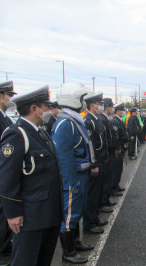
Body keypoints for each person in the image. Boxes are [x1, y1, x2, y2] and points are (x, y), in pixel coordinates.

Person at [0, 85, 63, 266]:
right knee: (25, 261)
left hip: (49, 213)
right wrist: (12, 214)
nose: (51, 110)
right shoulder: (16, 134)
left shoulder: (41, 132)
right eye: (47, 106)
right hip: (30, 217)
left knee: (43, 260)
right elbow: (7, 178)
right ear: (34, 109)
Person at [52, 83, 95, 264]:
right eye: (82, 99)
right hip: (74, 176)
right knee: (69, 215)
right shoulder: (65, 123)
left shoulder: (73, 120)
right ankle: (68, 253)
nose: (84, 102)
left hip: (81, 174)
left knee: (77, 212)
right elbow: (65, 157)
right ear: (74, 100)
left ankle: (75, 242)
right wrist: (70, 182)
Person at [83, 92, 110, 235]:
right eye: (99, 104)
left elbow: (102, 141)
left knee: (98, 193)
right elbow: (90, 145)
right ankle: (89, 223)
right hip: (95, 163)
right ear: (92, 105)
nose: (101, 106)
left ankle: (95, 217)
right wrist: (93, 164)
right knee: (92, 194)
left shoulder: (96, 119)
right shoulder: (88, 121)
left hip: (101, 161)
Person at [0, 81, 16, 266]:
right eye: (8, 95)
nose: (10, 99)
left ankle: (5, 245)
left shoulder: (5, 117)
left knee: (4, 211)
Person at [98, 98, 118, 211]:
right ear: (107, 107)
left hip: (109, 152)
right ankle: (103, 202)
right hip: (107, 153)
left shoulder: (105, 119)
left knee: (108, 178)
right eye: (111, 106)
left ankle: (106, 200)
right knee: (105, 181)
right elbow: (105, 139)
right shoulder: (102, 119)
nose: (112, 109)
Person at [111, 103, 128, 195]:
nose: (124, 112)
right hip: (118, 147)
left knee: (119, 169)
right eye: (122, 110)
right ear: (118, 111)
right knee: (116, 169)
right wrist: (118, 147)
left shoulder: (119, 120)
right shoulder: (115, 121)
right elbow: (116, 136)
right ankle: (113, 188)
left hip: (121, 146)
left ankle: (116, 185)